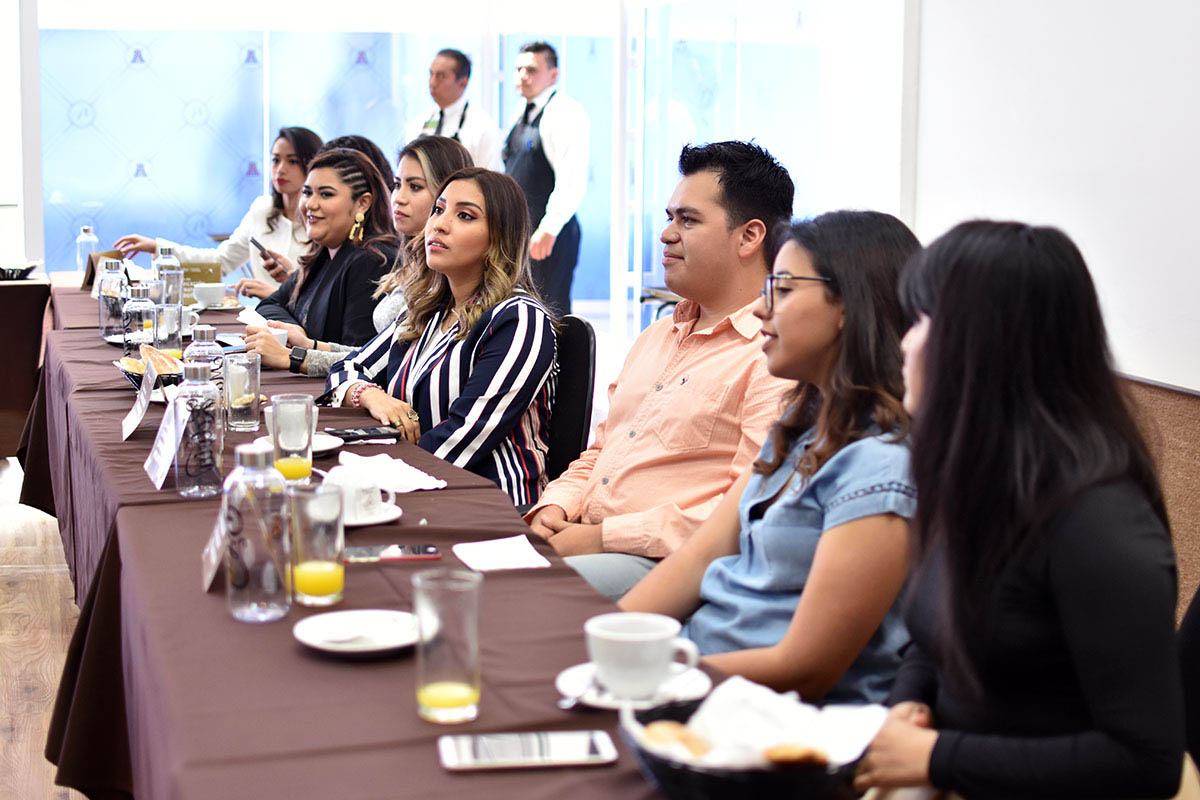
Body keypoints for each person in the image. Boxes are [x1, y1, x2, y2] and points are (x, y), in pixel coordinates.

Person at [854, 222, 1186, 797]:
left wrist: (937, 757)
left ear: (980, 346)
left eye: (923, 323)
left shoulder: (1098, 522)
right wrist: (909, 701)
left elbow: (1146, 761)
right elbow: (931, 642)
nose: (904, 344)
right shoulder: (973, 477)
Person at [619, 211, 920, 704]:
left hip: (773, 718)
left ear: (848, 305)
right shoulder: (799, 426)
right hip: (701, 676)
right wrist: (604, 641)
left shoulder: (880, 466)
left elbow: (805, 667)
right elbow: (699, 557)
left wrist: (652, 673)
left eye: (781, 289)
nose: (761, 309)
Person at [525, 141, 796, 601]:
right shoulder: (656, 337)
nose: (667, 234)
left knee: (515, 598)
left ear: (750, 237)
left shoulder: (773, 354)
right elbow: (600, 453)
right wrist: (556, 504)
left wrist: (600, 537)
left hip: (673, 564)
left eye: (688, 220)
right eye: (670, 217)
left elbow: (749, 507)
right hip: (585, 533)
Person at [326, 168, 557, 506]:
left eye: (464, 215)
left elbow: (462, 440)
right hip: (416, 486)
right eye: (438, 209)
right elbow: (345, 369)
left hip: (490, 506)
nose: (439, 224)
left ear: (500, 237)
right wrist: (371, 396)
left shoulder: (519, 319)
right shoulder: (429, 311)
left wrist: (367, 476)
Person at [247, 136, 473, 376]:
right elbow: (374, 354)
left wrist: (295, 357)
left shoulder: (374, 259)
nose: (399, 197)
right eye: (397, 185)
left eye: (414, 187)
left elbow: (388, 364)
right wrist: (306, 345)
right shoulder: (412, 264)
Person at [114, 126, 322, 299]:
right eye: (276, 160)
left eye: (292, 161)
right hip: (261, 321)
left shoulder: (322, 221)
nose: (280, 169)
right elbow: (220, 263)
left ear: (312, 165)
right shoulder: (262, 210)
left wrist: (276, 294)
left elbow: (321, 298)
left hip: (300, 328)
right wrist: (158, 247)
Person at [245, 148, 397, 355]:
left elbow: (361, 357)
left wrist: (303, 349)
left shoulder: (372, 261)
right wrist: (295, 330)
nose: (310, 204)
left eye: (325, 194)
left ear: (362, 203)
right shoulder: (325, 253)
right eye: (307, 192)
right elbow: (270, 304)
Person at [502, 41, 589, 315]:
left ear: (553, 75)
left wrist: (548, 229)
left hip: (549, 233)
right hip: (522, 231)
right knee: (521, 309)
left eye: (531, 69)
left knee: (551, 312)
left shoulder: (564, 112)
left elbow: (571, 178)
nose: (522, 76)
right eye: (518, 69)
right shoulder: (520, 112)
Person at [406, 49, 504, 171]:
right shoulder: (420, 123)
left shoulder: (482, 127)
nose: (432, 83)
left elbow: (490, 179)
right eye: (431, 74)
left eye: (441, 76)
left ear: (463, 83)